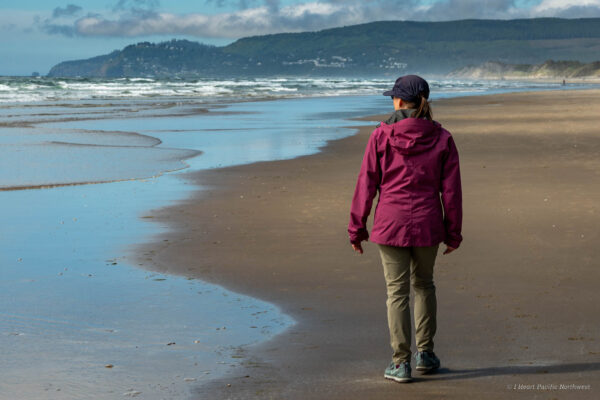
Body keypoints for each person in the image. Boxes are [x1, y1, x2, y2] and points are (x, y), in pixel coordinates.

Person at [348, 75, 462, 383]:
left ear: (399, 102)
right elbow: (451, 192)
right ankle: (425, 353)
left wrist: (356, 228)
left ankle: (401, 363)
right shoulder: (442, 137)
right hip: (427, 223)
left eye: (393, 98)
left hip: (390, 224)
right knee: (424, 285)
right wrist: (454, 233)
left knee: (396, 292)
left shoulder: (381, 135)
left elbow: (366, 184)